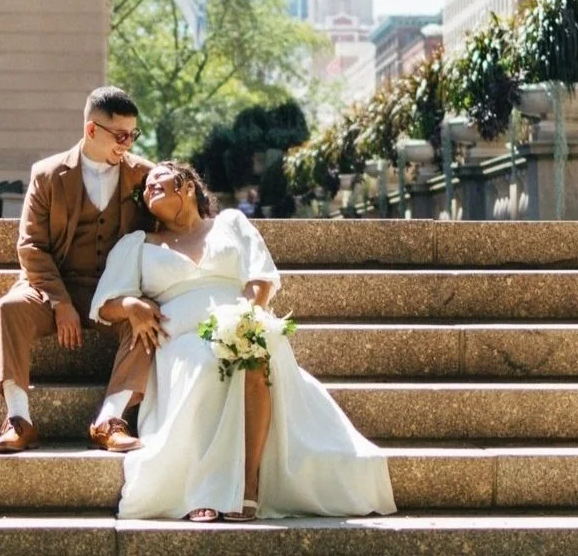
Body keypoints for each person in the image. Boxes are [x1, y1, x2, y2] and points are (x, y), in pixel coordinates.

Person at [92, 161, 394, 522]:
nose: (149, 188)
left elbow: (260, 277)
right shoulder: (139, 245)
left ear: (187, 186)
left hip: (239, 319)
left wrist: (244, 320)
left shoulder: (231, 223)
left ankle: (248, 484)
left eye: (159, 180)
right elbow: (105, 306)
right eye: (145, 188)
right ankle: (206, 486)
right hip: (179, 341)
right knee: (207, 364)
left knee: (255, 353)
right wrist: (131, 304)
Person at [0, 86, 156, 454]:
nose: (127, 144)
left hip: (111, 289)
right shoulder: (48, 175)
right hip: (54, 283)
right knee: (8, 309)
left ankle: (110, 420)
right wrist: (60, 302)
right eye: (120, 135)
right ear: (92, 130)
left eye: (133, 135)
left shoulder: (143, 176)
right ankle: (19, 419)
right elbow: (31, 245)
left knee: (145, 319)